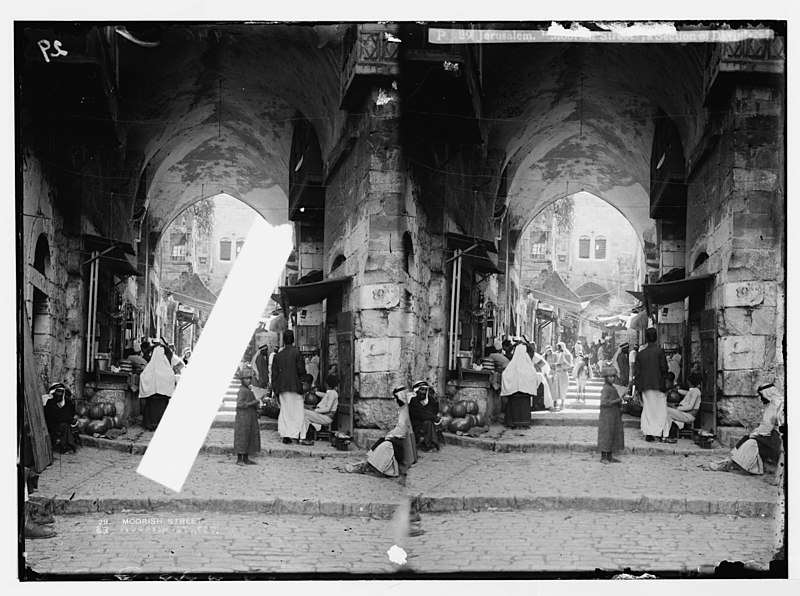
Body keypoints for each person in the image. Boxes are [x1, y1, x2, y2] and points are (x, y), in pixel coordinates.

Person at [710, 383, 784, 475]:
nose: (761, 399)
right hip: (775, 436)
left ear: (767, 394)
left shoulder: (773, 405)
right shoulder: (778, 402)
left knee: (750, 443)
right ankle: (731, 462)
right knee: (749, 439)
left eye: (762, 396)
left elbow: (766, 429)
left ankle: (729, 463)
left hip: (777, 439)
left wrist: (754, 434)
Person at [346, 385, 417, 477]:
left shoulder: (406, 410)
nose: (396, 401)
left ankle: (364, 467)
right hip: (403, 440)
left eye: (396, 398)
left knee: (385, 445)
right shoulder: (403, 409)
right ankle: (367, 464)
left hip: (406, 443)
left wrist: (390, 436)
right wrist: (390, 434)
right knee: (382, 441)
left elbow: (402, 431)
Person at [272, 329, 312, 445]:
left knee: (285, 411)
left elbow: (274, 375)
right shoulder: (297, 353)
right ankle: (300, 436)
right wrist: (303, 381)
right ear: (293, 339)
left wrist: (275, 390)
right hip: (295, 386)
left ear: (283, 340)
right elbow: (301, 370)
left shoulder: (278, 356)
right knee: (298, 411)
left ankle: (286, 436)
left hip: (282, 388)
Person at [633, 327, 668, 442]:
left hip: (645, 385)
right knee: (660, 409)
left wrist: (638, 389)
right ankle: (659, 432)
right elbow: (664, 368)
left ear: (646, 338)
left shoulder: (640, 354)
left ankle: (648, 433)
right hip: (658, 385)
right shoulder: (659, 351)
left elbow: (637, 374)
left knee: (648, 409)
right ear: (656, 337)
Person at [500, 344, 542, 429]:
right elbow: (534, 375)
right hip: (525, 394)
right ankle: (524, 422)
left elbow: (505, 375)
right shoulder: (528, 366)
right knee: (524, 407)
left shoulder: (512, 365)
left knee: (513, 407)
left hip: (514, 393)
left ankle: (513, 423)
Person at [138, 344, 176, 431]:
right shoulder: (167, 369)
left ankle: (150, 424)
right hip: (162, 398)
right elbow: (172, 378)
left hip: (152, 398)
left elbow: (142, 377)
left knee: (150, 409)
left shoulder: (149, 368)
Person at [662, 372, 702, 443]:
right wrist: (676, 390)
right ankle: (665, 435)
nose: (687, 383)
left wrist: (677, 409)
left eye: (688, 381)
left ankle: (665, 435)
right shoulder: (693, 391)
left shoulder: (695, 391)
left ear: (690, 382)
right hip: (685, 414)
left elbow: (690, 406)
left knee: (667, 410)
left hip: (689, 415)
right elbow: (687, 393)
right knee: (667, 414)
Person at [233, 365, 261, 466]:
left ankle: (246, 458)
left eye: (250, 378)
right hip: (243, 418)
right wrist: (252, 403)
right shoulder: (242, 391)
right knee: (242, 437)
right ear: (242, 380)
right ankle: (240, 458)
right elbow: (239, 404)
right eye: (246, 379)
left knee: (249, 437)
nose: (248, 381)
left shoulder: (248, 390)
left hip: (250, 417)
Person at [598, 364, 624, 464]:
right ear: (606, 378)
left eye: (613, 376)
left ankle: (609, 456)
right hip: (607, 417)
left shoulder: (612, 388)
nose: (612, 378)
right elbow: (603, 402)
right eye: (610, 376)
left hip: (613, 416)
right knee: (606, 435)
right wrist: (616, 401)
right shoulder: (605, 389)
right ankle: (604, 457)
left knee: (612, 435)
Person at [43, 382, 79, 453]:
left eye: (62, 392)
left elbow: (70, 413)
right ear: (53, 392)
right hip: (52, 426)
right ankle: (65, 447)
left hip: (63, 423)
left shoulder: (66, 402)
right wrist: (71, 420)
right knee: (64, 425)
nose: (60, 394)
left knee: (66, 425)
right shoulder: (50, 403)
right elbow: (57, 415)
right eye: (58, 392)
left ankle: (68, 445)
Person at [409, 380, 442, 452]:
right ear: (417, 391)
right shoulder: (413, 400)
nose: (424, 392)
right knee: (428, 422)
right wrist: (435, 418)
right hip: (416, 425)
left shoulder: (430, 400)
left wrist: (435, 402)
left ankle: (432, 444)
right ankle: (431, 445)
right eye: (422, 390)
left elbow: (433, 412)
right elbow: (421, 413)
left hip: (427, 423)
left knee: (428, 422)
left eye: (425, 390)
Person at [304, 373, 339, 438]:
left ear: (327, 384)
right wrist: (315, 392)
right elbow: (325, 395)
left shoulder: (332, 393)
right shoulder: (331, 393)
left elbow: (327, 409)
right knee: (304, 414)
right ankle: (304, 434)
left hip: (326, 418)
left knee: (304, 412)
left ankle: (303, 435)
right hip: (323, 416)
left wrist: (314, 410)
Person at [551, 341, 573, 411]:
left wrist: (561, 365)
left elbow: (569, 365)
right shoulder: (558, 354)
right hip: (557, 373)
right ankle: (555, 402)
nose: (558, 349)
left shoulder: (567, 355)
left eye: (559, 347)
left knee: (563, 389)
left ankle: (562, 403)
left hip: (563, 373)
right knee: (555, 388)